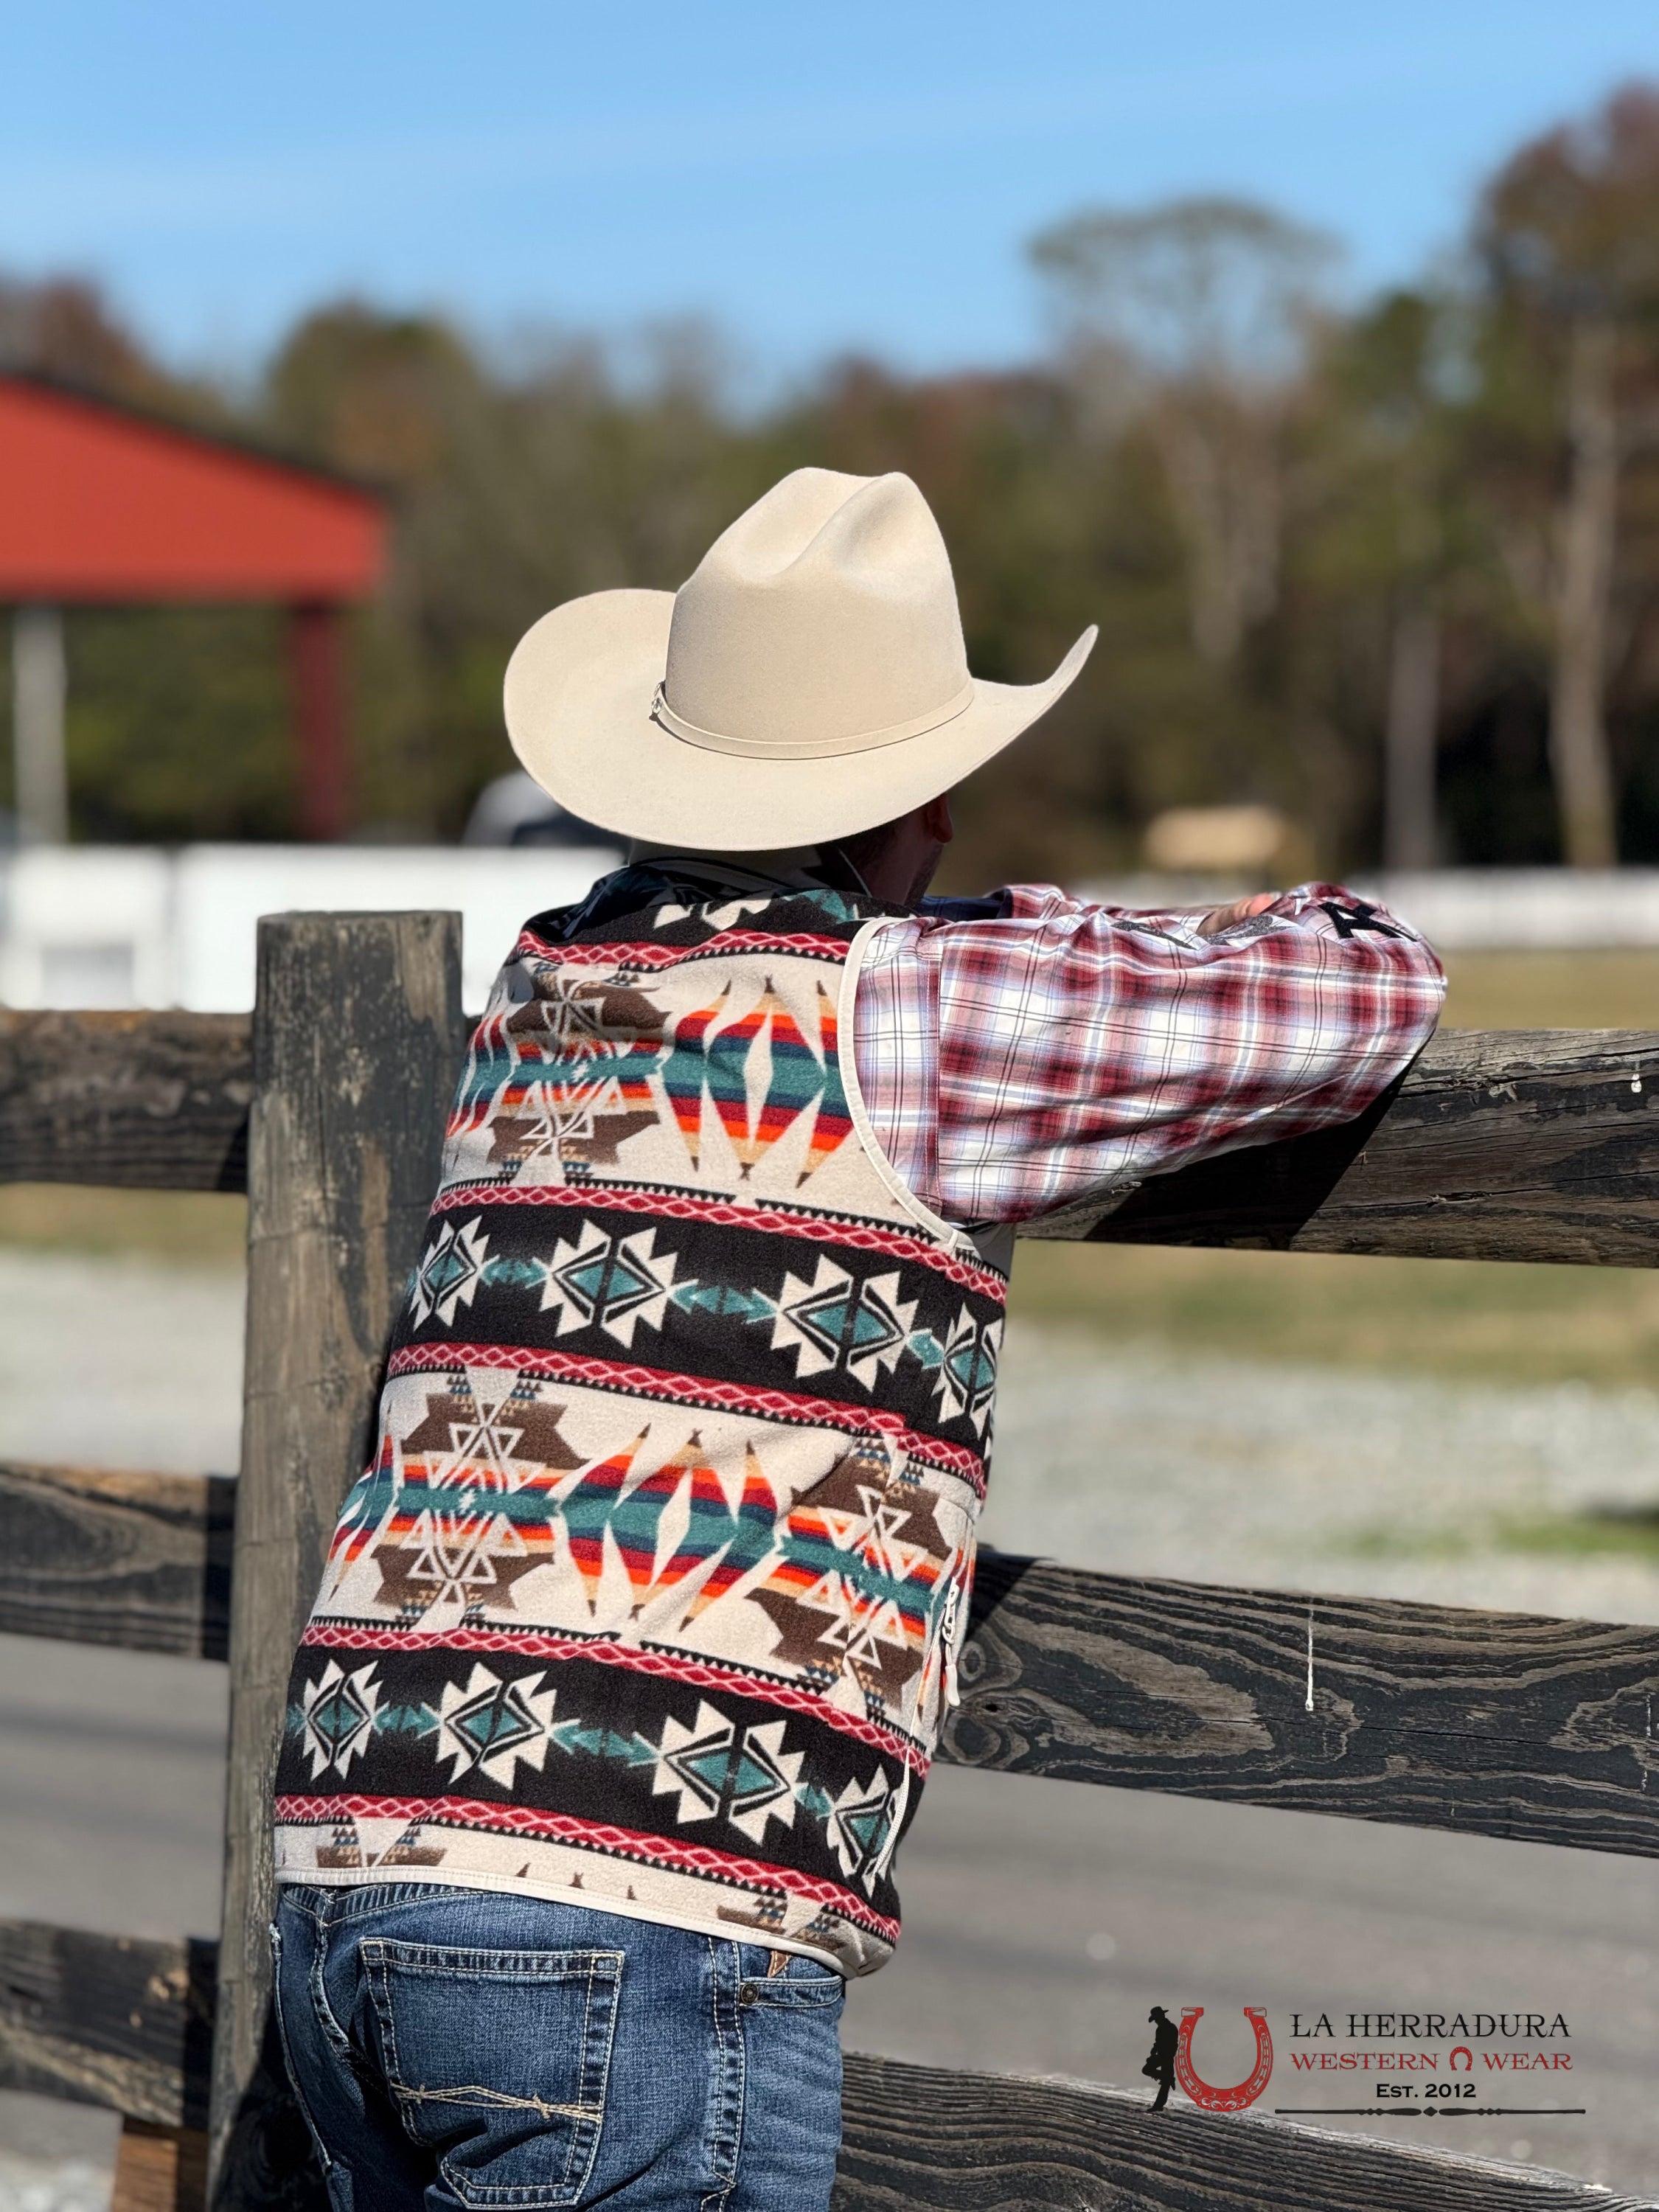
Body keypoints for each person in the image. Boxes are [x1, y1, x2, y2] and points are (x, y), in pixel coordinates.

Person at [269, 468, 1444, 2211]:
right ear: (911, 800)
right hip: (637, 1894)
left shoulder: (548, 980)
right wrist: (1049, 924)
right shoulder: (909, 1003)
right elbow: (1364, 989)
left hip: (348, 1845)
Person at [1144, 2006, 1180, 2111]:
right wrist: (1154, 2051)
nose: (1155, 2021)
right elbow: (1159, 2043)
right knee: (1165, 2081)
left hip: (1166, 2056)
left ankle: (1158, 2105)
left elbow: (1172, 2044)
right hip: (1164, 2055)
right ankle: (1168, 2078)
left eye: (1156, 2019)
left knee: (1150, 2071)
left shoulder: (1167, 2028)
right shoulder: (1164, 2028)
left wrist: (1161, 2054)